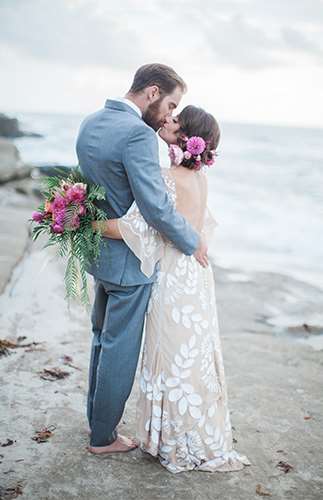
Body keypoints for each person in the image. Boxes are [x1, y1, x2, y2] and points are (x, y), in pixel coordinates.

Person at [93, 105, 251, 473]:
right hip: (196, 276)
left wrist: (84, 222)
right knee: (191, 353)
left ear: (186, 137)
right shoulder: (199, 179)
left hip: (173, 277)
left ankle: (171, 439)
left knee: (168, 353)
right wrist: (196, 243)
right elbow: (201, 227)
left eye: (176, 120)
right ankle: (192, 432)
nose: (167, 119)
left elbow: (137, 227)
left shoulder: (167, 177)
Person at [76, 63, 208, 454]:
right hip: (130, 263)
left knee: (101, 340)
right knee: (119, 347)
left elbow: (92, 188)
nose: (170, 115)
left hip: (98, 253)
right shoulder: (137, 135)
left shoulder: (91, 121)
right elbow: (155, 208)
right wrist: (192, 240)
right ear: (152, 92)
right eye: (170, 104)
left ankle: (95, 424)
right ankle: (103, 438)